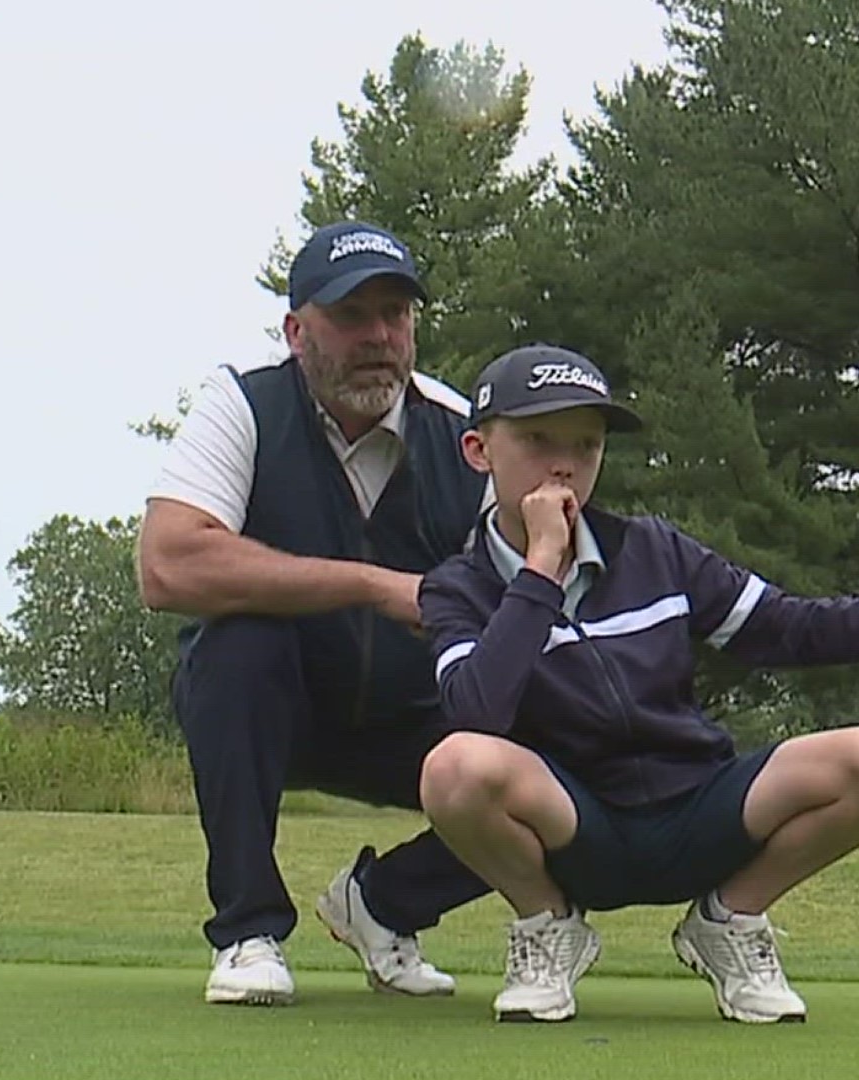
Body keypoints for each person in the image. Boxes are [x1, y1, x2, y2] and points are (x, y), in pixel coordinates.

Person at [416, 343, 859, 1024]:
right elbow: (478, 712)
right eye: (537, 440)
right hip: (577, 831)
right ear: (478, 450)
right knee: (454, 767)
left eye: (586, 445)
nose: (565, 465)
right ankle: (547, 928)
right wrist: (541, 571)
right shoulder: (456, 588)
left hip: (699, 809)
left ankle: (729, 920)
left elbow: (789, 628)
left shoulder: (653, 550)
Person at [137, 221, 490, 1006]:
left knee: (558, 734)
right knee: (236, 646)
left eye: (395, 314)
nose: (378, 337)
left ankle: (387, 904)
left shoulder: (464, 437)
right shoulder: (244, 404)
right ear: (297, 330)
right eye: (352, 315)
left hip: (419, 717)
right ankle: (248, 932)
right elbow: (167, 565)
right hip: (276, 708)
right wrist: (370, 585)